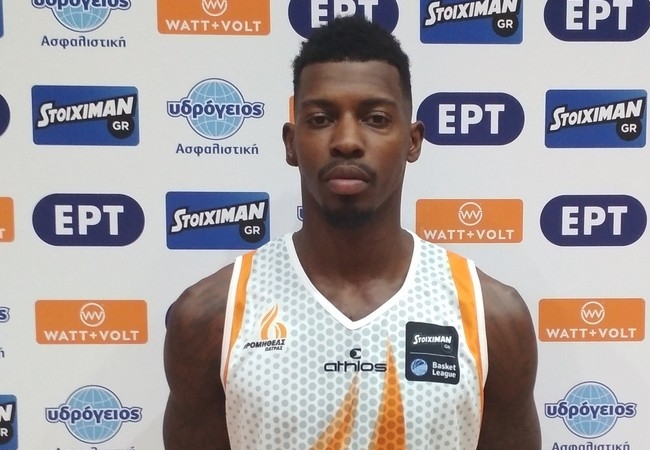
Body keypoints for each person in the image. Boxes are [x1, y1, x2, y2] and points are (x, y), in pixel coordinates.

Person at [163, 15, 541, 450]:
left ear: (413, 141)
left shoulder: (492, 317)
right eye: (321, 118)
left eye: (375, 118)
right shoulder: (210, 318)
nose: (346, 140)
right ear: (291, 143)